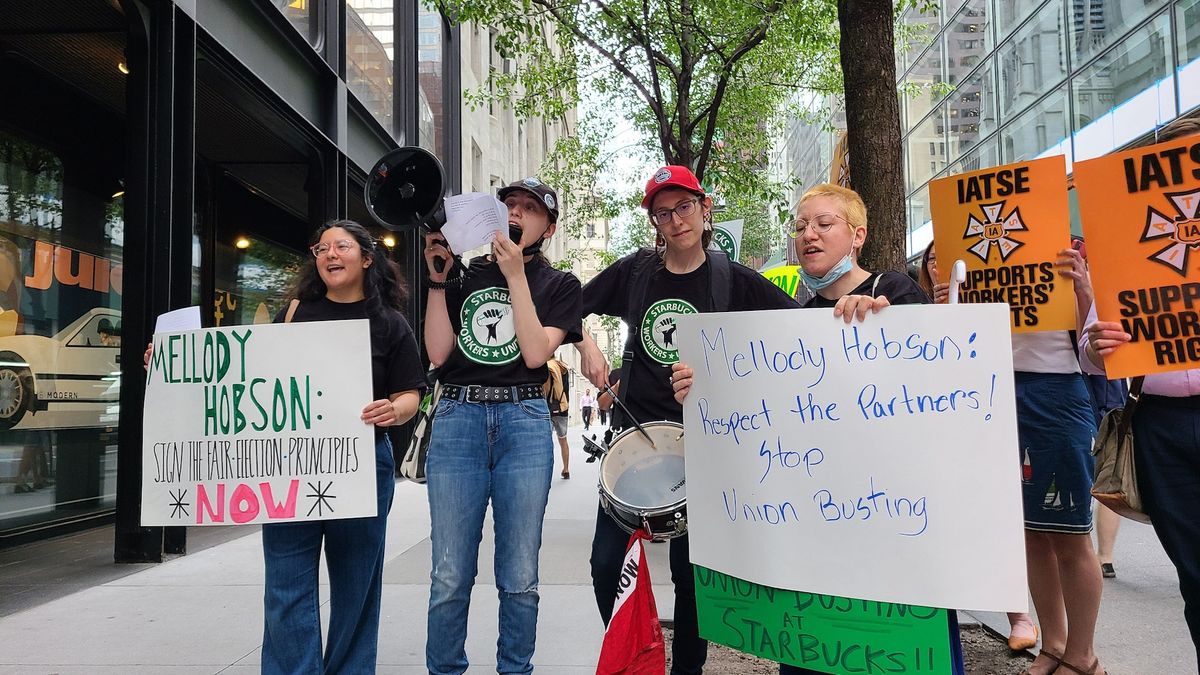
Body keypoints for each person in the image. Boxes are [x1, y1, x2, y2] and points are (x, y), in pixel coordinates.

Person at [670, 183, 965, 675]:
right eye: (802, 226)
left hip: (890, 527)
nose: (809, 234)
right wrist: (702, 391)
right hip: (819, 536)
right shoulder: (795, 323)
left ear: (857, 235)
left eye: (824, 224)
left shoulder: (893, 292)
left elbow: (932, 386)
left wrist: (885, 325)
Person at [575, 165, 800, 675]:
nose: (674, 220)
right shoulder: (635, 273)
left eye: (683, 207)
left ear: (704, 208)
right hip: (633, 440)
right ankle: (635, 652)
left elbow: (795, 334)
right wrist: (585, 343)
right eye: (662, 212)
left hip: (705, 446)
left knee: (691, 575)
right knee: (605, 564)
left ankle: (686, 670)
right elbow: (570, 305)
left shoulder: (733, 279)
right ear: (654, 221)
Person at [422, 176, 583, 675]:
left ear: (548, 228)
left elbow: (536, 352)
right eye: (508, 204)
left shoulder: (560, 286)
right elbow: (438, 354)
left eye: (530, 209)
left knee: (519, 574)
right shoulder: (464, 275)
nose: (516, 213)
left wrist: (515, 277)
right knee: (449, 572)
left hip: (524, 419)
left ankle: (515, 668)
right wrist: (437, 280)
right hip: (459, 416)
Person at [1079, 117, 1200, 669]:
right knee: (1194, 575)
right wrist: (1098, 342)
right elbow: (1090, 347)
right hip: (1161, 427)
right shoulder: (1130, 245)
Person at [921, 241, 1039, 651]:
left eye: (943, 261)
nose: (938, 267)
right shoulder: (915, 305)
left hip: (983, 421)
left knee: (995, 510)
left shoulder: (989, 304)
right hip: (937, 431)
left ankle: (1018, 614)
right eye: (931, 260)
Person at [545, 357, 572, 479]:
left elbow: (546, 388)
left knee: (546, 441)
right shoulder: (563, 367)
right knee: (563, 440)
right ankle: (566, 469)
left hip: (549, 407)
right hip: (563, 406)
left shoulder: (548, 366)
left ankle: (546, 471)